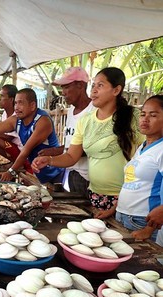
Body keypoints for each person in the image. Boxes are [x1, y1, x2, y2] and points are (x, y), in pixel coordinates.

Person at [32, 67, 143, 218]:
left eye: (100, 85)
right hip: (96, 195)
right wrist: (50, 160)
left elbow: (145, 157)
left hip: (127, 197)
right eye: (94, 85)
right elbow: (71, 156)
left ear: (116, 90)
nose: (94, 91)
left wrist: (122, 199)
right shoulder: (86, 120)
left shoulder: (133, 117)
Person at [39, 67, 94, 196]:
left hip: (89, 178)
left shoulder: (94, 111)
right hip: (73, 173)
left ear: (80, 85)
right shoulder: (70, 112)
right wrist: (55, 151)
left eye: (66, 87)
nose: (63, 92)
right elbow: (74, 145)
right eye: (62, 88)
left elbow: (89, 147)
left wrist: (53, 158)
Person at [116, 95, 163, 242]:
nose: (145, 119)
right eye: (143, 114)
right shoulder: (142, 146)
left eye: (153, 115)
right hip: (123, 215)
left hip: (143, 221)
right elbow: (133, 182)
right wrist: (113, 209)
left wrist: (148, 229)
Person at [0, 84, 32, 173]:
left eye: (2, 96)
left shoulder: (16, 116)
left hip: (22, 151)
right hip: (13, 148)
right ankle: (14, 162)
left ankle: (18, 163)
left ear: (11, 99)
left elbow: (9, 137)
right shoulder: (4, 114)